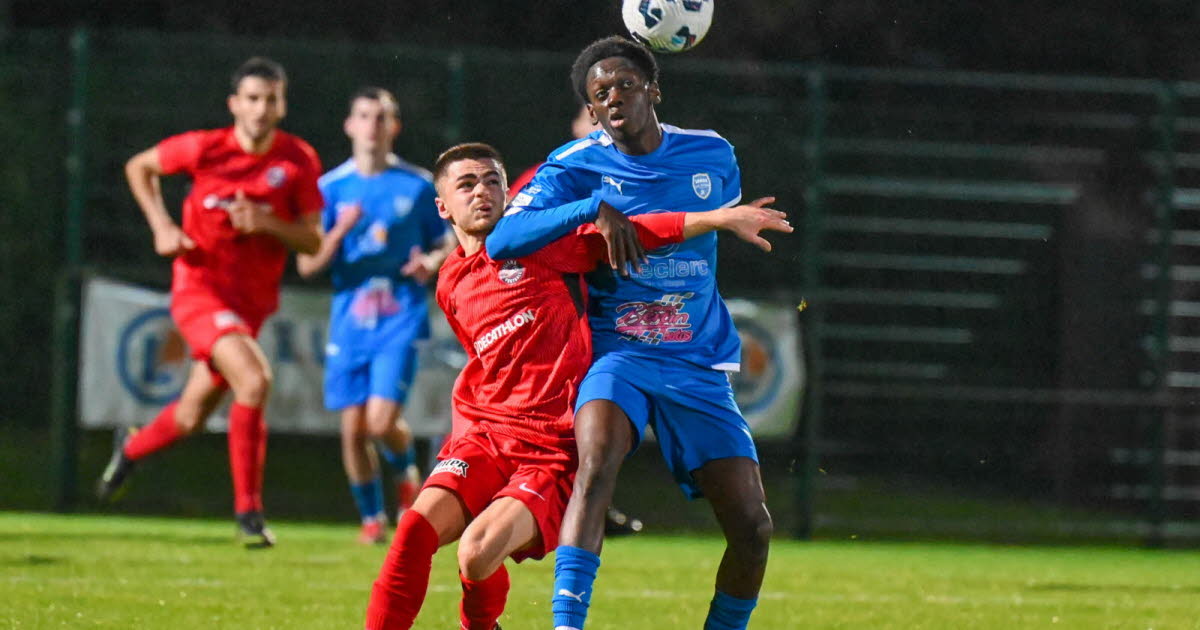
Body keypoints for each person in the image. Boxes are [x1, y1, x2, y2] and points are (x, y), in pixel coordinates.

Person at [364, 142, 788, 630]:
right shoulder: (450, 283)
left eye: (492, 181)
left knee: (477, 554)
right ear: (443, 206)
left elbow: (634, 233)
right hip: (485, 439)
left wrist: (715, 218)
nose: (482, 191)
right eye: (466, 184)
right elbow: (483, 364)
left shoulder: (544, 245)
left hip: (549, 448)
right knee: (413, 531)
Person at [486, 36, 783, 630]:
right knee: (596, 464)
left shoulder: (713, 155)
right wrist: (590, 208)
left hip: (698, 361)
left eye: (624, 84)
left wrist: (649, 225)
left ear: (654, 90)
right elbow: (501, 240)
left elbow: (681, 232)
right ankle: (567, 625)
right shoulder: (575, 166)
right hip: (618, 354)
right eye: (599, 94)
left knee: (752, 528)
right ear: (591, 112)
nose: (613, 97)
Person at [96, 57, 324, 548]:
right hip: (199, 291)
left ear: (282, 104)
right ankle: (249, 512)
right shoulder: (205, 148)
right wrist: (161, 225)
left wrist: (267, 223)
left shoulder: (297, 160)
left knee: (191, 414)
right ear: (235, 104)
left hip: (251, 306)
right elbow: (139, 166)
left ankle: (131, 447)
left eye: (271, 99)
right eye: (253, 98)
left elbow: (312, 242)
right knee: (255, 378)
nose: (262, 109)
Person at [297, 87, 453, 544]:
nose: (372, 126)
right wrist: (339, 231)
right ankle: (371, 519)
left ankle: (406, 472)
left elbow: (447, 240)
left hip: (399, 315)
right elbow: (307, 265)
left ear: (394, 127)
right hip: (350, 319)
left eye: (382, 117)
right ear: (349, 125)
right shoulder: (328, 189)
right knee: (352, 431)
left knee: (381, 422)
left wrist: (431, 261)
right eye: (364, 116)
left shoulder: (419, 185)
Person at [509, 104, 643, 538]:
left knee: (591, 418)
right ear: (577, 125)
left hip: (605, 311)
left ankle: (586, 505)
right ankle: (520, 496)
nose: (604, 128)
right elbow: (508, 235)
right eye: (594, 119)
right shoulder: (550, 174)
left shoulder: (641, 172)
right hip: (547, 312)